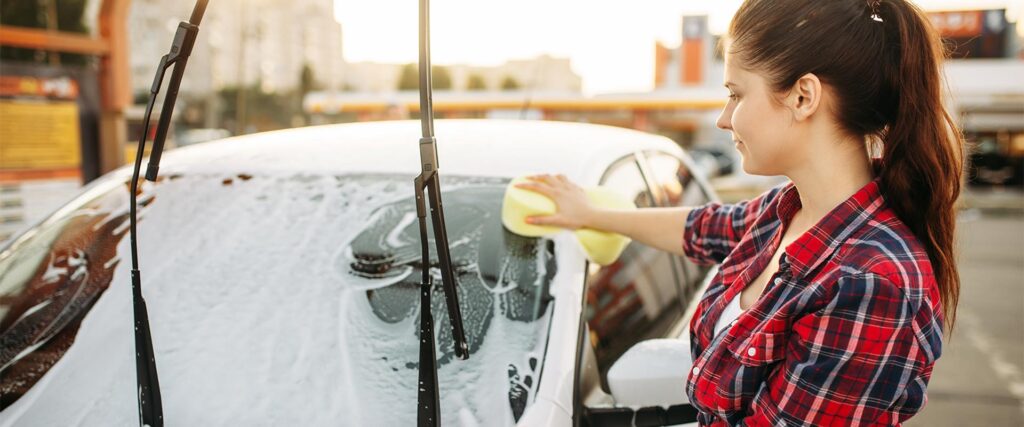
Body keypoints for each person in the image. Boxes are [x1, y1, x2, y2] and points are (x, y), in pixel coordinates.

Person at [515, 0, 963, 425]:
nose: (723, 119)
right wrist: (591, 213)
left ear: (804, 97)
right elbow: (698, 228)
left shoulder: (871, 283)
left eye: (735, 94)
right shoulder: (785, 212)